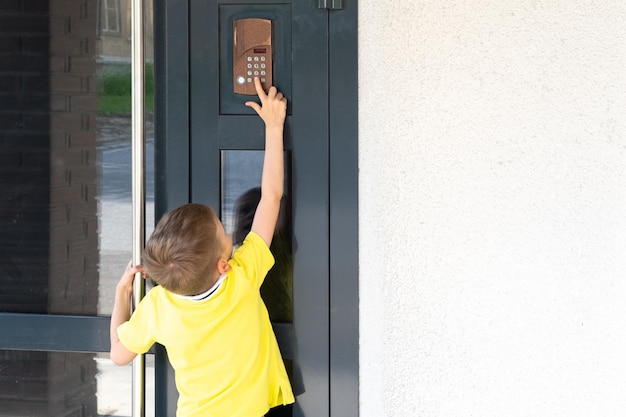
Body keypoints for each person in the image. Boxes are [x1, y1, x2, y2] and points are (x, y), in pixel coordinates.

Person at [109, 77, 295, 417]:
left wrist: (123, 295)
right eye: (224, 233)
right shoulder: (242, 277)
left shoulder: (157, 307)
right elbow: (271, 198)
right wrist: (273, 126)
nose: (230, 235)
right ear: (223, 265)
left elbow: (119, 354)